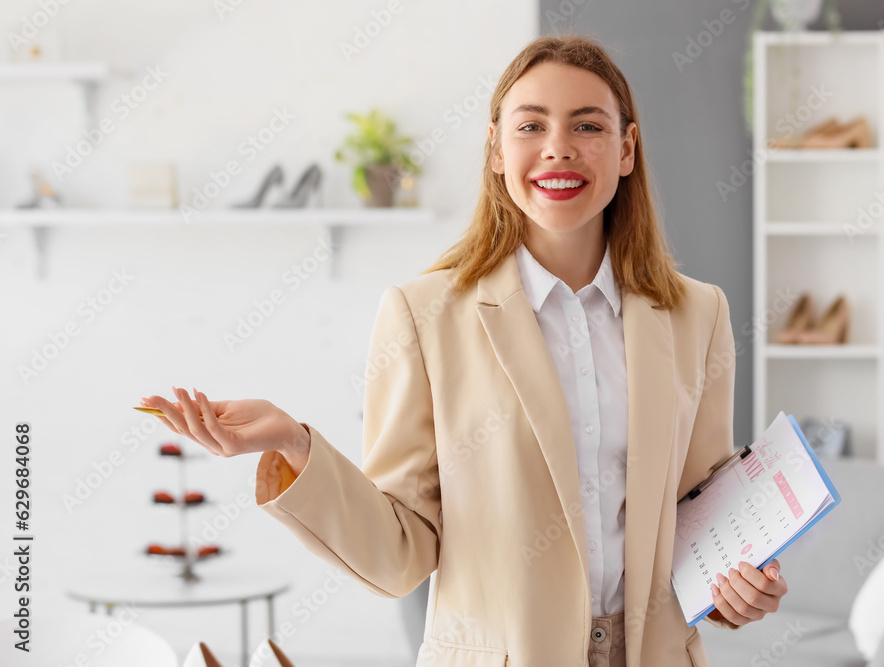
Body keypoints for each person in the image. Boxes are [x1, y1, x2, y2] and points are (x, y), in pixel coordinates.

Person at [141, 34, 788, 667]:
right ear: (496, 151)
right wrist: (295, 446)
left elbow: (701, 521)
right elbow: (400, 551)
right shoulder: (423, 316)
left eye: (587, 127)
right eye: (530, 127)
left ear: (626, 148)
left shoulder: (697, 313)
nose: (558, 149)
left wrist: (740, 589)